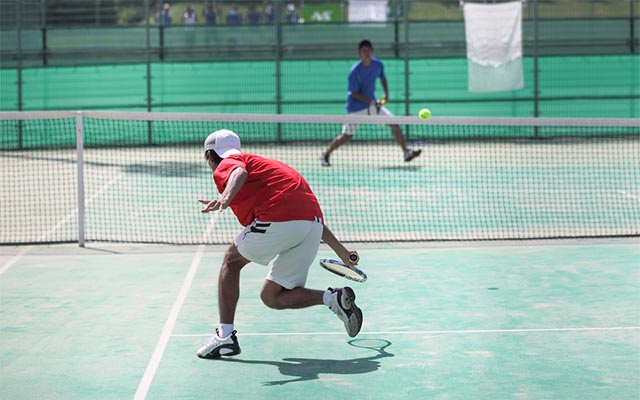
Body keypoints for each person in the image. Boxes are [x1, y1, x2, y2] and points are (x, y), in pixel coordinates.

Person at [196, 129, 364, 359]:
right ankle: (333, 298)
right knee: (272, 296)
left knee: (231, 262)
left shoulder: (230, 163)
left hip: (278, 218)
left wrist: (225, 198)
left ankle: (224, 338)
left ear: (211, 156)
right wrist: (343, 253)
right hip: (311, 225)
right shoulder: (266, 167)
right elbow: (305, 215)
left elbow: (238, 172)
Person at [321, 39, 421, 167]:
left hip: (371, 106)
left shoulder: (378, 65)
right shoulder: (354, 71)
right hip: (355, 108)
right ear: (359, 53)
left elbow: (383, 78)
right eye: (363, 51)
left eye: (368, 50)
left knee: (394, 123)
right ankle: (326, 153)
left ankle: (406, 152)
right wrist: (372, 101)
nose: (366, 53)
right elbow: (354, 93)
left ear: (372, 51)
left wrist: (386, 94)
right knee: (347, 136)